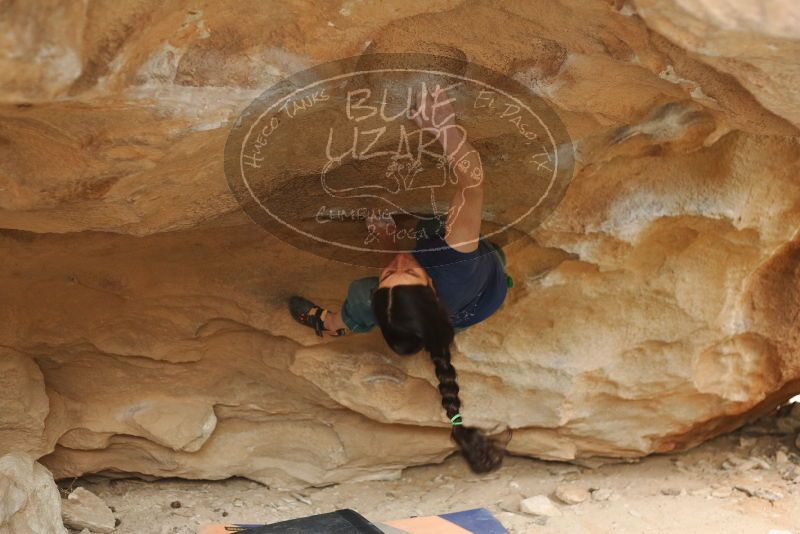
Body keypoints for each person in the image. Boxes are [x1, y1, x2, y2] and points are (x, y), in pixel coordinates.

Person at [289, 87, 510, 473]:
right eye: (405, 271)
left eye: (389, 276)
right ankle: (342, 323)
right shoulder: (454, 256)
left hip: (474, 298)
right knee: (439, 227)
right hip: (483, 285)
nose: (396, 265)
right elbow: (472, 182)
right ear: (429, 289)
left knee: (359, 296)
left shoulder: (388, 291)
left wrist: (389, 242)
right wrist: (445, 128)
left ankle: (331, 325)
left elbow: (391, 272)